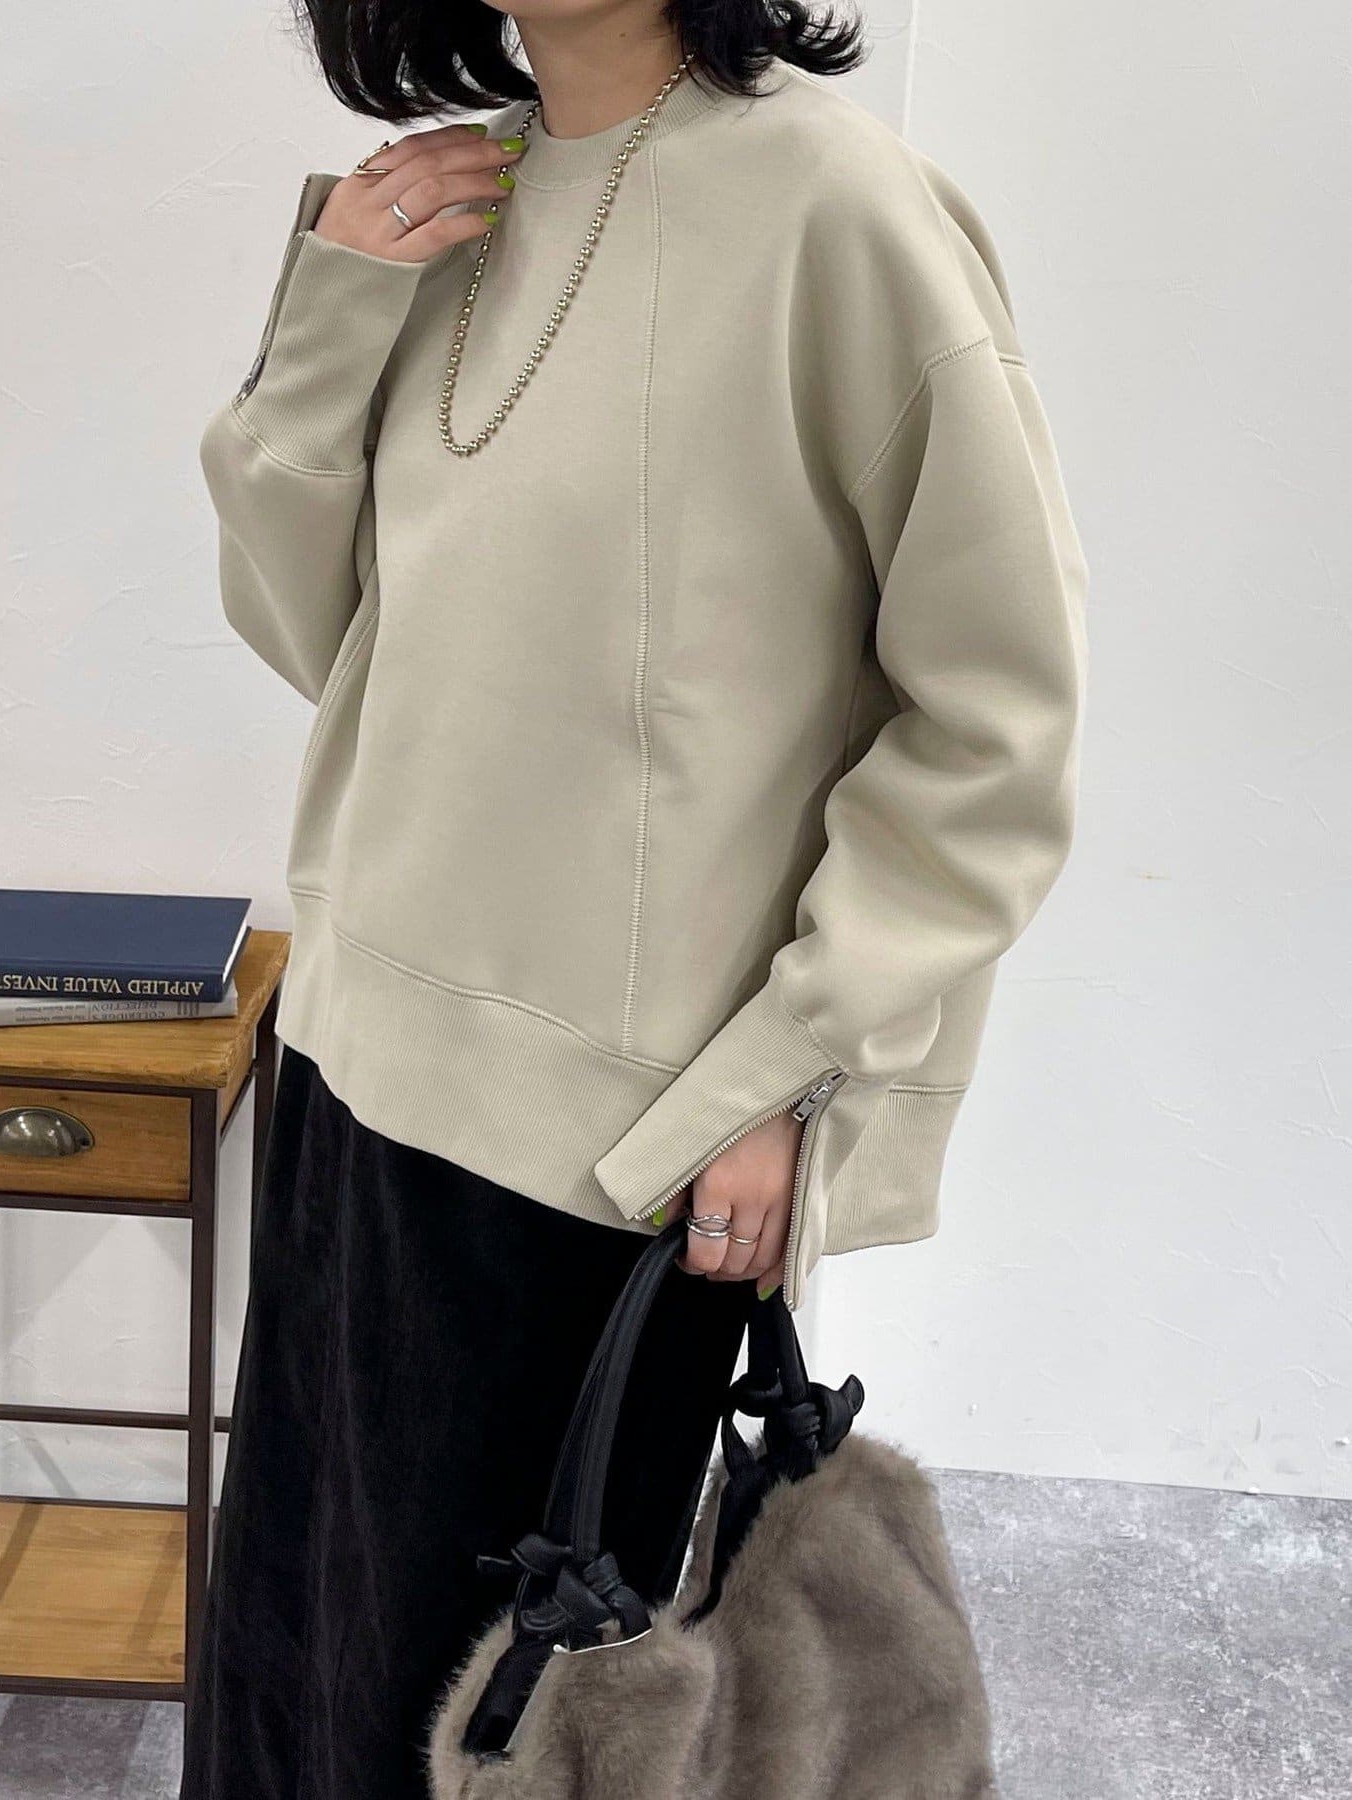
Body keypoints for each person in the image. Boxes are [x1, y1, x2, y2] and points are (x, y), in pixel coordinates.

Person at [179, 0, 1087, 1793]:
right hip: (353, 1078)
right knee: (311, 1672)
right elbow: (324, 638)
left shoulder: (839, 211)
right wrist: (336, 305)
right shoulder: (450, 204)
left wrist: (795, 1069)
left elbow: (995, 719)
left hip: (609, 1151)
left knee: (519, 1731)